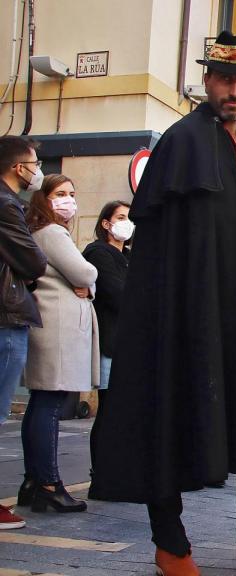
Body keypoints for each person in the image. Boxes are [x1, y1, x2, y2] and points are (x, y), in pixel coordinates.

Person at [89, 32, 236, 576]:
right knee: (168, 415)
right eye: (224, 79)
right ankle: (171, 546)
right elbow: (197, 229)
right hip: (184, 317)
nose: (234, 90)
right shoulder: (185, 140)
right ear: (207, 81)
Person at [22, 174, 98, 514]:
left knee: (42, 402)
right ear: (43, 198)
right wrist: (89, 282)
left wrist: (87, 285)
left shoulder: (39, 232)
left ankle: (34, 481)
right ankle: (49, 483)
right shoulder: (52, 233)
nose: (69, 199)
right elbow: (84, 273)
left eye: (72, 193)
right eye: (60, 194)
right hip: (58, 329)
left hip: (49, 324)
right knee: (50, 404)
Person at [0, 136, 48, 530]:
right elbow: (34, 261)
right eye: (34, 163)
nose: (37, 170)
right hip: (6, 316)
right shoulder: (6, 206)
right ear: (18, 167)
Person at [82, 200, 131, 402]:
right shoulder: (98, 252)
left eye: (130, 219)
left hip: (129, 341)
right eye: (121, 218)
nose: (127, 223)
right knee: (111, 404)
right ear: (105, 224)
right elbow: (117, 294)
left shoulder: (129, 255)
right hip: (110, 339)